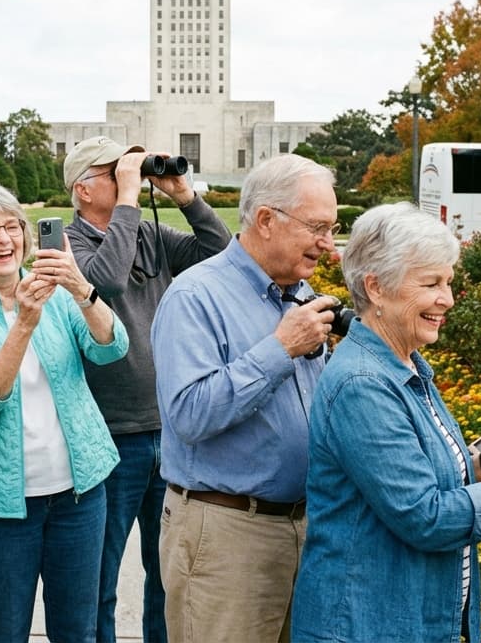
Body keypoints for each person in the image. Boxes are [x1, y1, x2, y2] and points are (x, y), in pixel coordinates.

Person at [291, 202, 481, 643]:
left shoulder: (403, 363)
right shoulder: (363, 384)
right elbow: (425, 518)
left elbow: (416, 478)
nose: (447, 299)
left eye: (448, 282)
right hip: (365, 626)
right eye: (431, 283)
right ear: (376, 287)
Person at [152, 153, 342, 643]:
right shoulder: (195, 296)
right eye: (317, 227)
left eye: (333, 228)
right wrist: (280, 349)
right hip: (226, 535)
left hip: (305, 529)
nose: (328, 243)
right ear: (266, 220)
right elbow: (189, 415)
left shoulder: (300, 292)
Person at [62, 135, 231, 642]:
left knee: (168, 574)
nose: (128, 176)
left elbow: (221, 254)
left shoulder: (149, 233)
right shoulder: (66, 245)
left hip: (168, 430)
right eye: (115, 171)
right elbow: (107, 281)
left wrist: (184, 196)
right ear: (83, 189)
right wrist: (131, 199)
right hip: (110, 436)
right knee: (101, 577)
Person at [0, 180, 129, 642]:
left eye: (12, 226)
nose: (4, 239)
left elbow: (111, 347)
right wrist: (24, 321)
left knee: (77, 631)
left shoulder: (60, 295)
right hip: (2, 512)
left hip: (79, 498)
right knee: (5, 632)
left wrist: (80, 287)